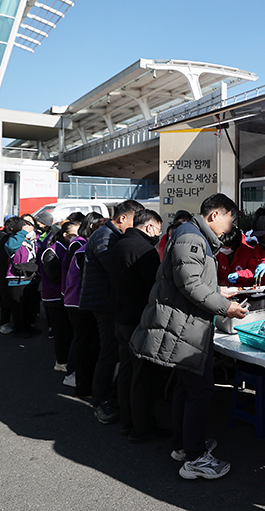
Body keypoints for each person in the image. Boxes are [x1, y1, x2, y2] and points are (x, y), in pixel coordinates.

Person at [130, 194, 248, 480]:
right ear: (215, 215)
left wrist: (219, 290)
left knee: (185, 387)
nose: (229, 227)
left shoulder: (190, 235)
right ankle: (195, 458)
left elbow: (190, 279)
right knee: (200, 389)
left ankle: (183, 446)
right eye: (229, 220)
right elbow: (190, 284)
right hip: (185, 328)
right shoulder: (192, 238)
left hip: (186, 326)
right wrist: (225, 307)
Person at [80, 199, 144, 425]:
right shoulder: (105, 237)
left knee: (113, 351)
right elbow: (118, 269)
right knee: (107, 352)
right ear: (124, 218)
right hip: (104, 303)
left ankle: (110, 395)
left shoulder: (110, 235)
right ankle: (101, 401)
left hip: (108, 301)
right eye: (136, 222)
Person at [109, 209, 170, 443]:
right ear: (149, 227)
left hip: (121, 317)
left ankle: (127, 421)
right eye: (159, 228)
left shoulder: (119, 245)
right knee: (142, 376)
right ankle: (142, 427)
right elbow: (155, 287)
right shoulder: (145, 251)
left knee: (126, 372)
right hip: (139, 320)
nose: (159, 233)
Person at [64, 215, 106, 398]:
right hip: (78, 303)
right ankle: (79, 382)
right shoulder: (84, 250)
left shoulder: (85, 248)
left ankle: (79, 379)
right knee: (84, 344)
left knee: (83, 342)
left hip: (78, 301)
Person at [41, 221, 80, 373]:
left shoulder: (68, 248)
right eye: (74, 235)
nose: (78, 237)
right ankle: (61, 361)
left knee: (67, 331)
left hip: (64, 296)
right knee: (61, 332)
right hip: (54, 298)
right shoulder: (52, 251)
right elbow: (54, 275)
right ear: (65, 235)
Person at [5, 217, 40, 338]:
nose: (31, 231)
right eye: (27, 229)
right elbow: (10, 246)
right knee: (18, 306)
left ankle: (28, 326)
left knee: (30, 305)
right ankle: (18, 329)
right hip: (17, 278)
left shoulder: (33, 241)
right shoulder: (13, 241)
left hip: (31, 276)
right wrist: (23, 232)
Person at [0, 216, 19, 334]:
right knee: (6, 298)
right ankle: (5, 323)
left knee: (12, 298)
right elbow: (1, 255)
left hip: (10, 272)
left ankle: (11, 322)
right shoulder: (1, 237)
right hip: (4, 272)